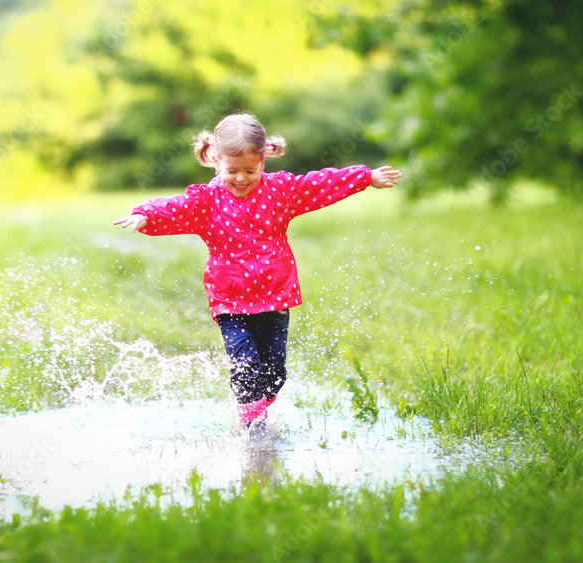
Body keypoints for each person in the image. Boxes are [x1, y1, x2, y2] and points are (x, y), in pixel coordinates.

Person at [114, 112, 401, 441]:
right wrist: (144, 214)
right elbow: (174, 207)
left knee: (275, 374)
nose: (240, 179)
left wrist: (364, 177)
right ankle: (253, 428)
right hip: (230, 302)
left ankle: (254, 410)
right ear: (215, 161)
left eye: (249, 171)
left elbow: (320, 184)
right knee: (246, 366)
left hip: (275, 296)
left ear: (263, 161)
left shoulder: (281, 191)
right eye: (231, 171)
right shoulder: (207, 202)